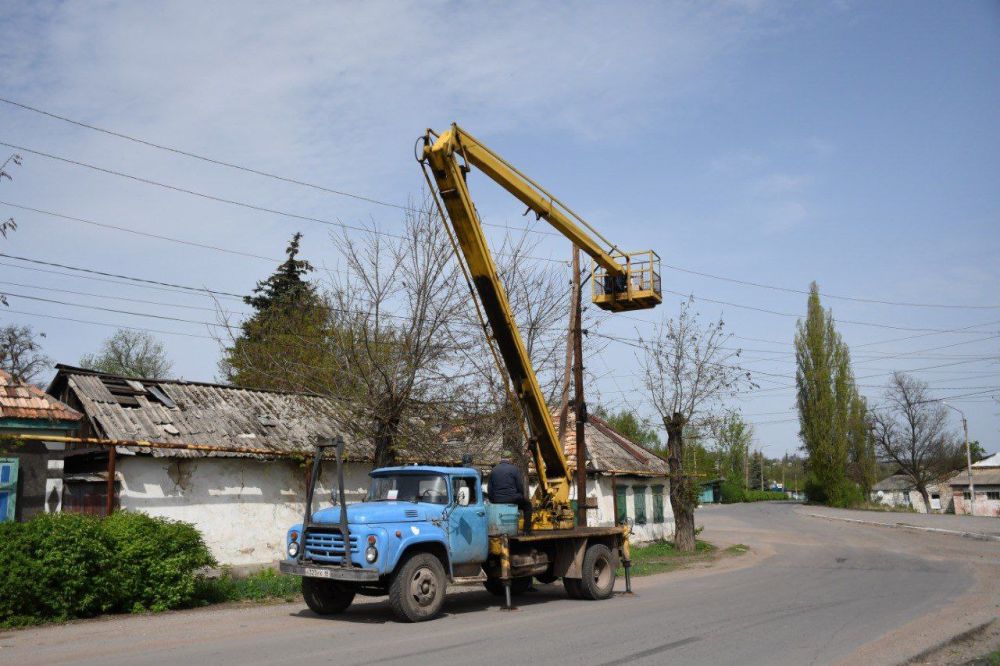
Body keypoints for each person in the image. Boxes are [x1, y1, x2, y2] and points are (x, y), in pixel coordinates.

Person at [487, 450, 533, 535]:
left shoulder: (494, 470)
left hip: (497, 499)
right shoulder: (514, 469)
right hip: (512, 498)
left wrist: (492, 499)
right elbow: (520, 485)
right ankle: (526, 531)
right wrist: (520, 495)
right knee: (528, 506)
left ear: (501, 458)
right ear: (510, 458)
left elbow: (490, 488)